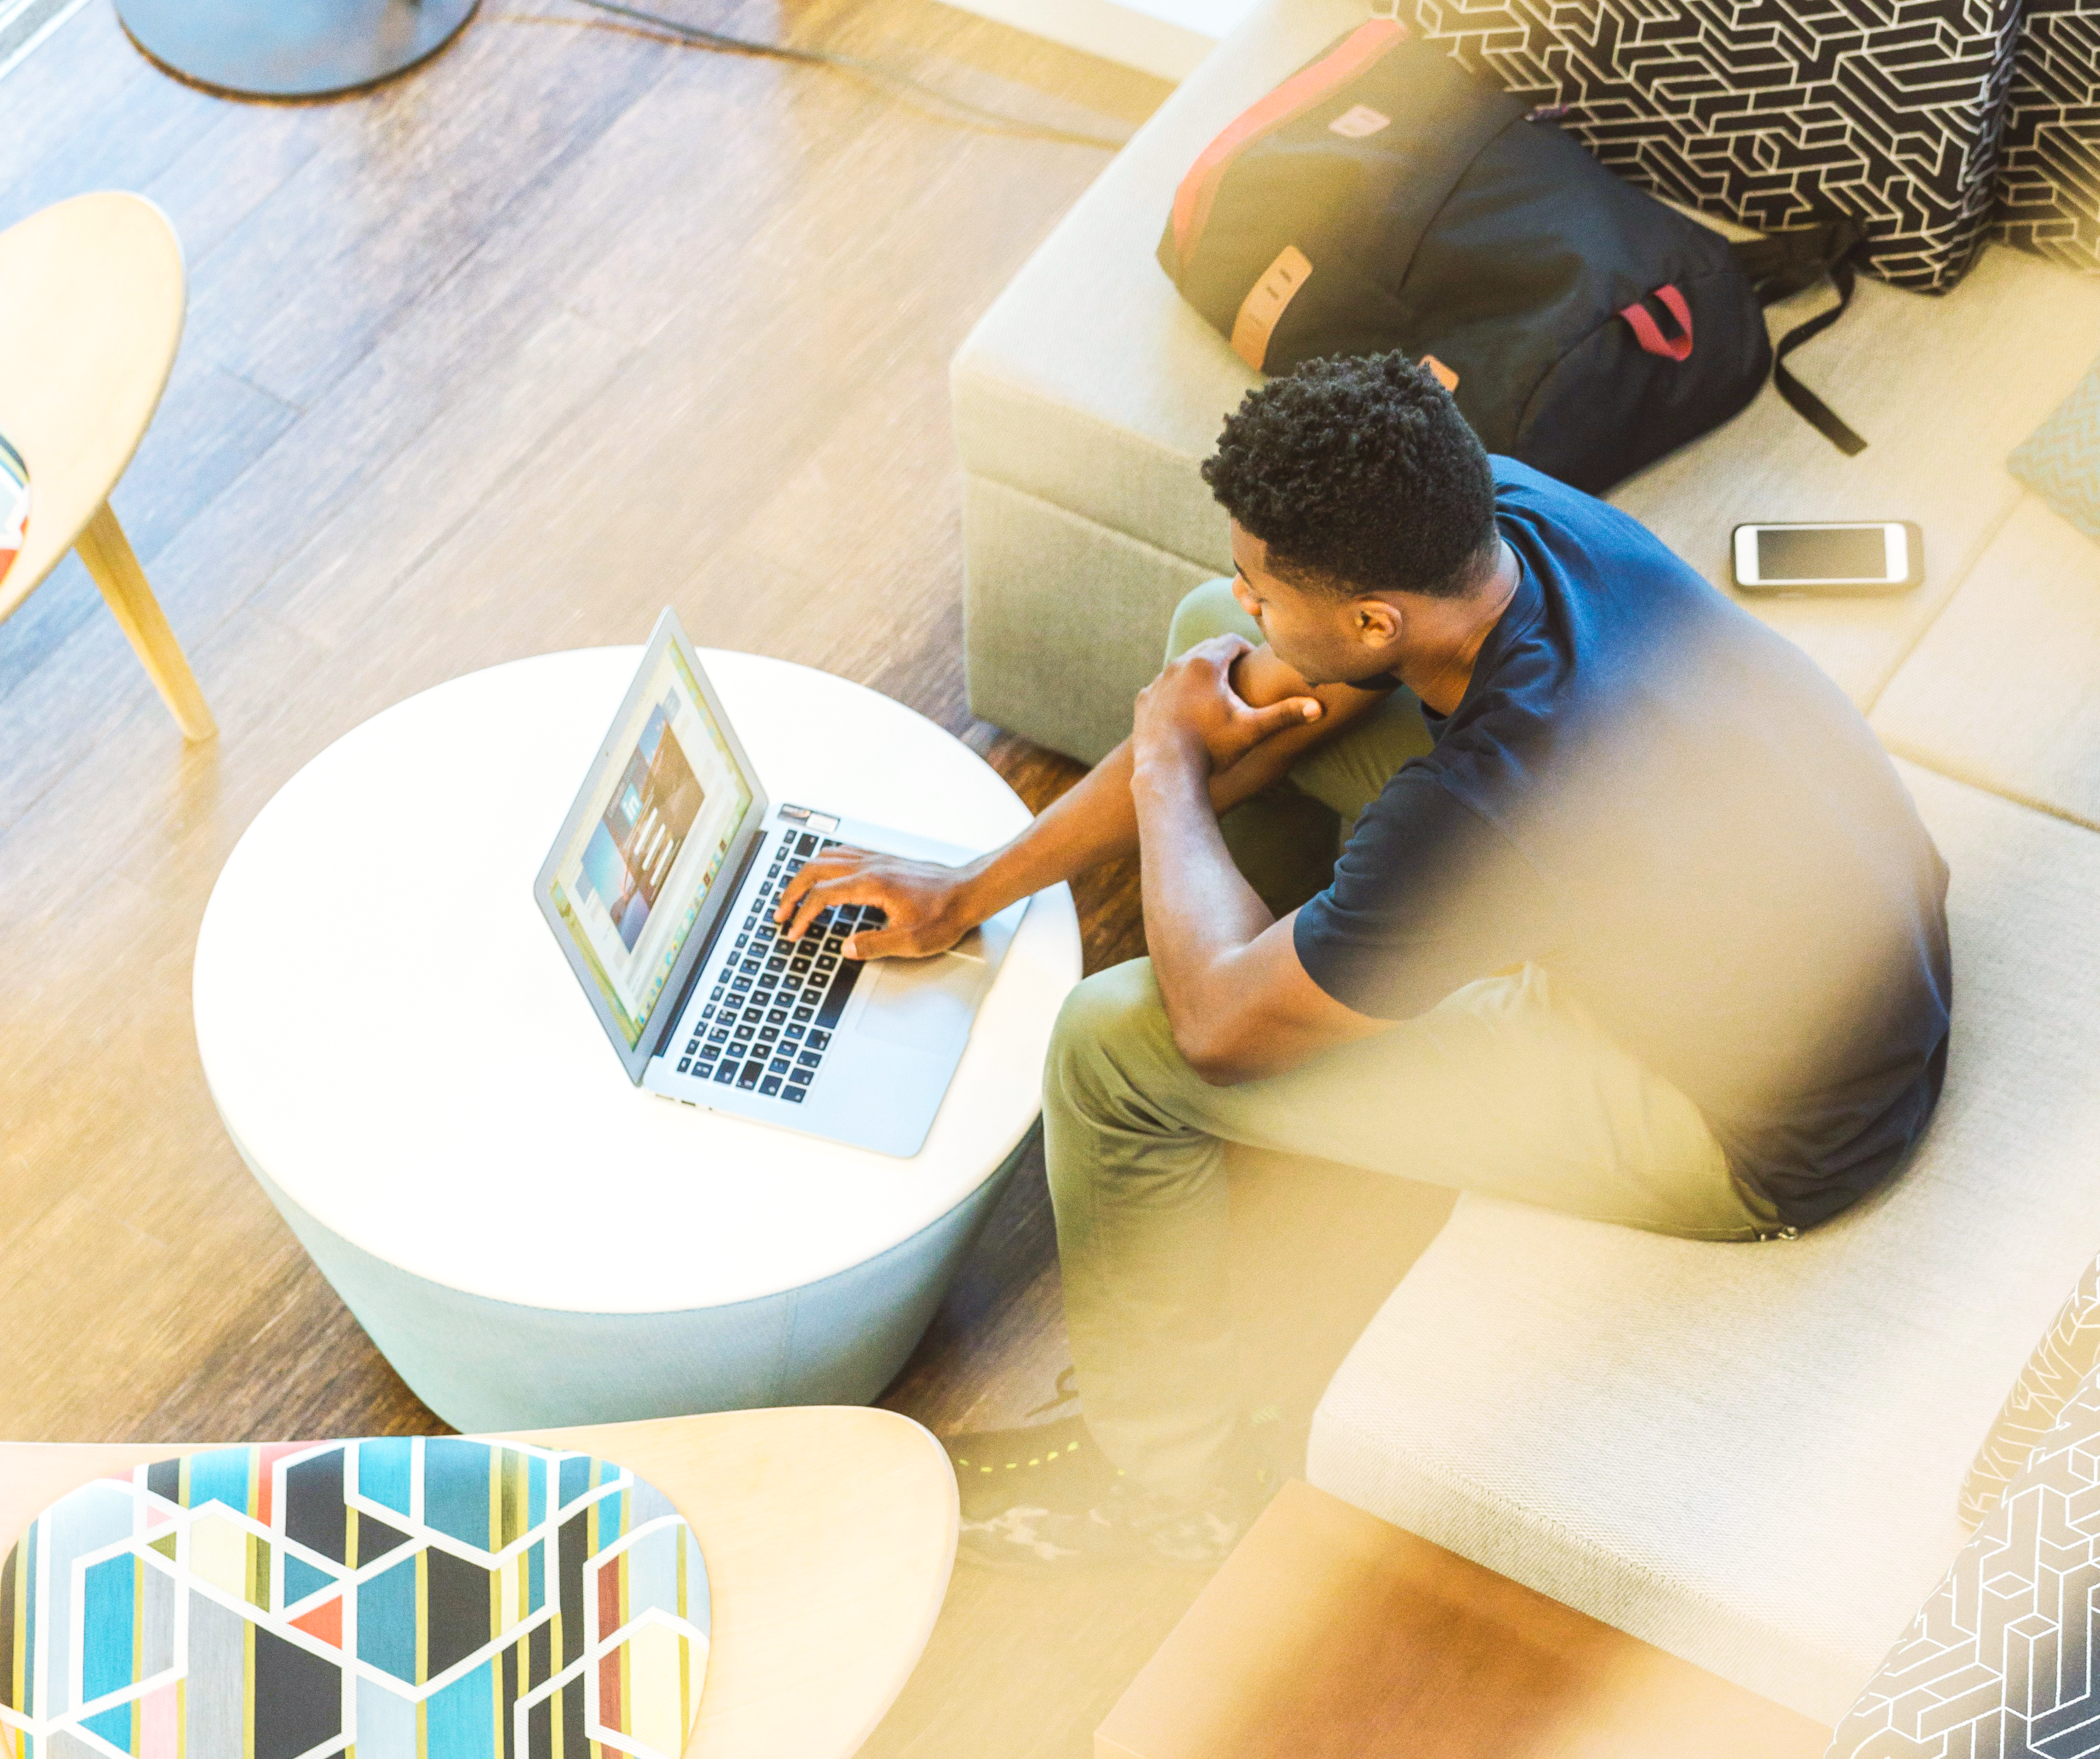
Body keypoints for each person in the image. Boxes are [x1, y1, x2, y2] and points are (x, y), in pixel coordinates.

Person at [778, 354, 1954, 1564]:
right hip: (1831, 941)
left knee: (1110, 1048)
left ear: (1379, 620)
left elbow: (1214, 1029)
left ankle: (1166, 1483)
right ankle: (1314, 977)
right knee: (1204, 649)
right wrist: (969, 891)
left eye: (1265, 586)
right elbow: (1259, 674)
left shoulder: (1503, 794)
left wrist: (1170, 765)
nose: (1248, 600)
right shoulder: (1496, 516)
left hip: (1754, 1126)